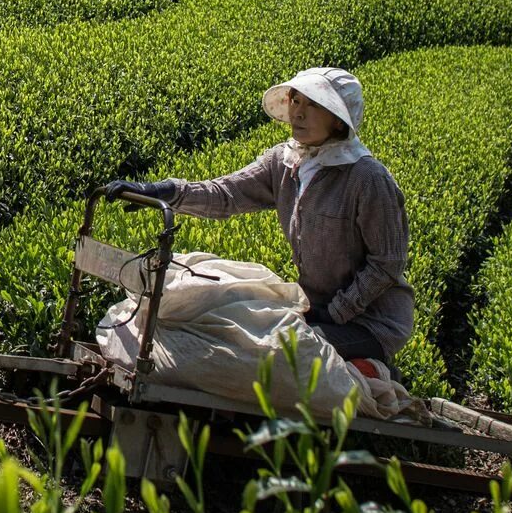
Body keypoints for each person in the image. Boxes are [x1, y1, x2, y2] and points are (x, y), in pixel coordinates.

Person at [106, 67, 414, 378]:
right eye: (295, 101)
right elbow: (226, 193)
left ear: (338, 119)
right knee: (218, 322)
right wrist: (165, 190)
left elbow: (387, 263)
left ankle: (372, 370)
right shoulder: (285, 162)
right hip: (315, 310)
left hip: (368, 323)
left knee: (263, 355)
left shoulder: (367, 179)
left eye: (314, 105)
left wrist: (337, 312)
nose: (299, 113)